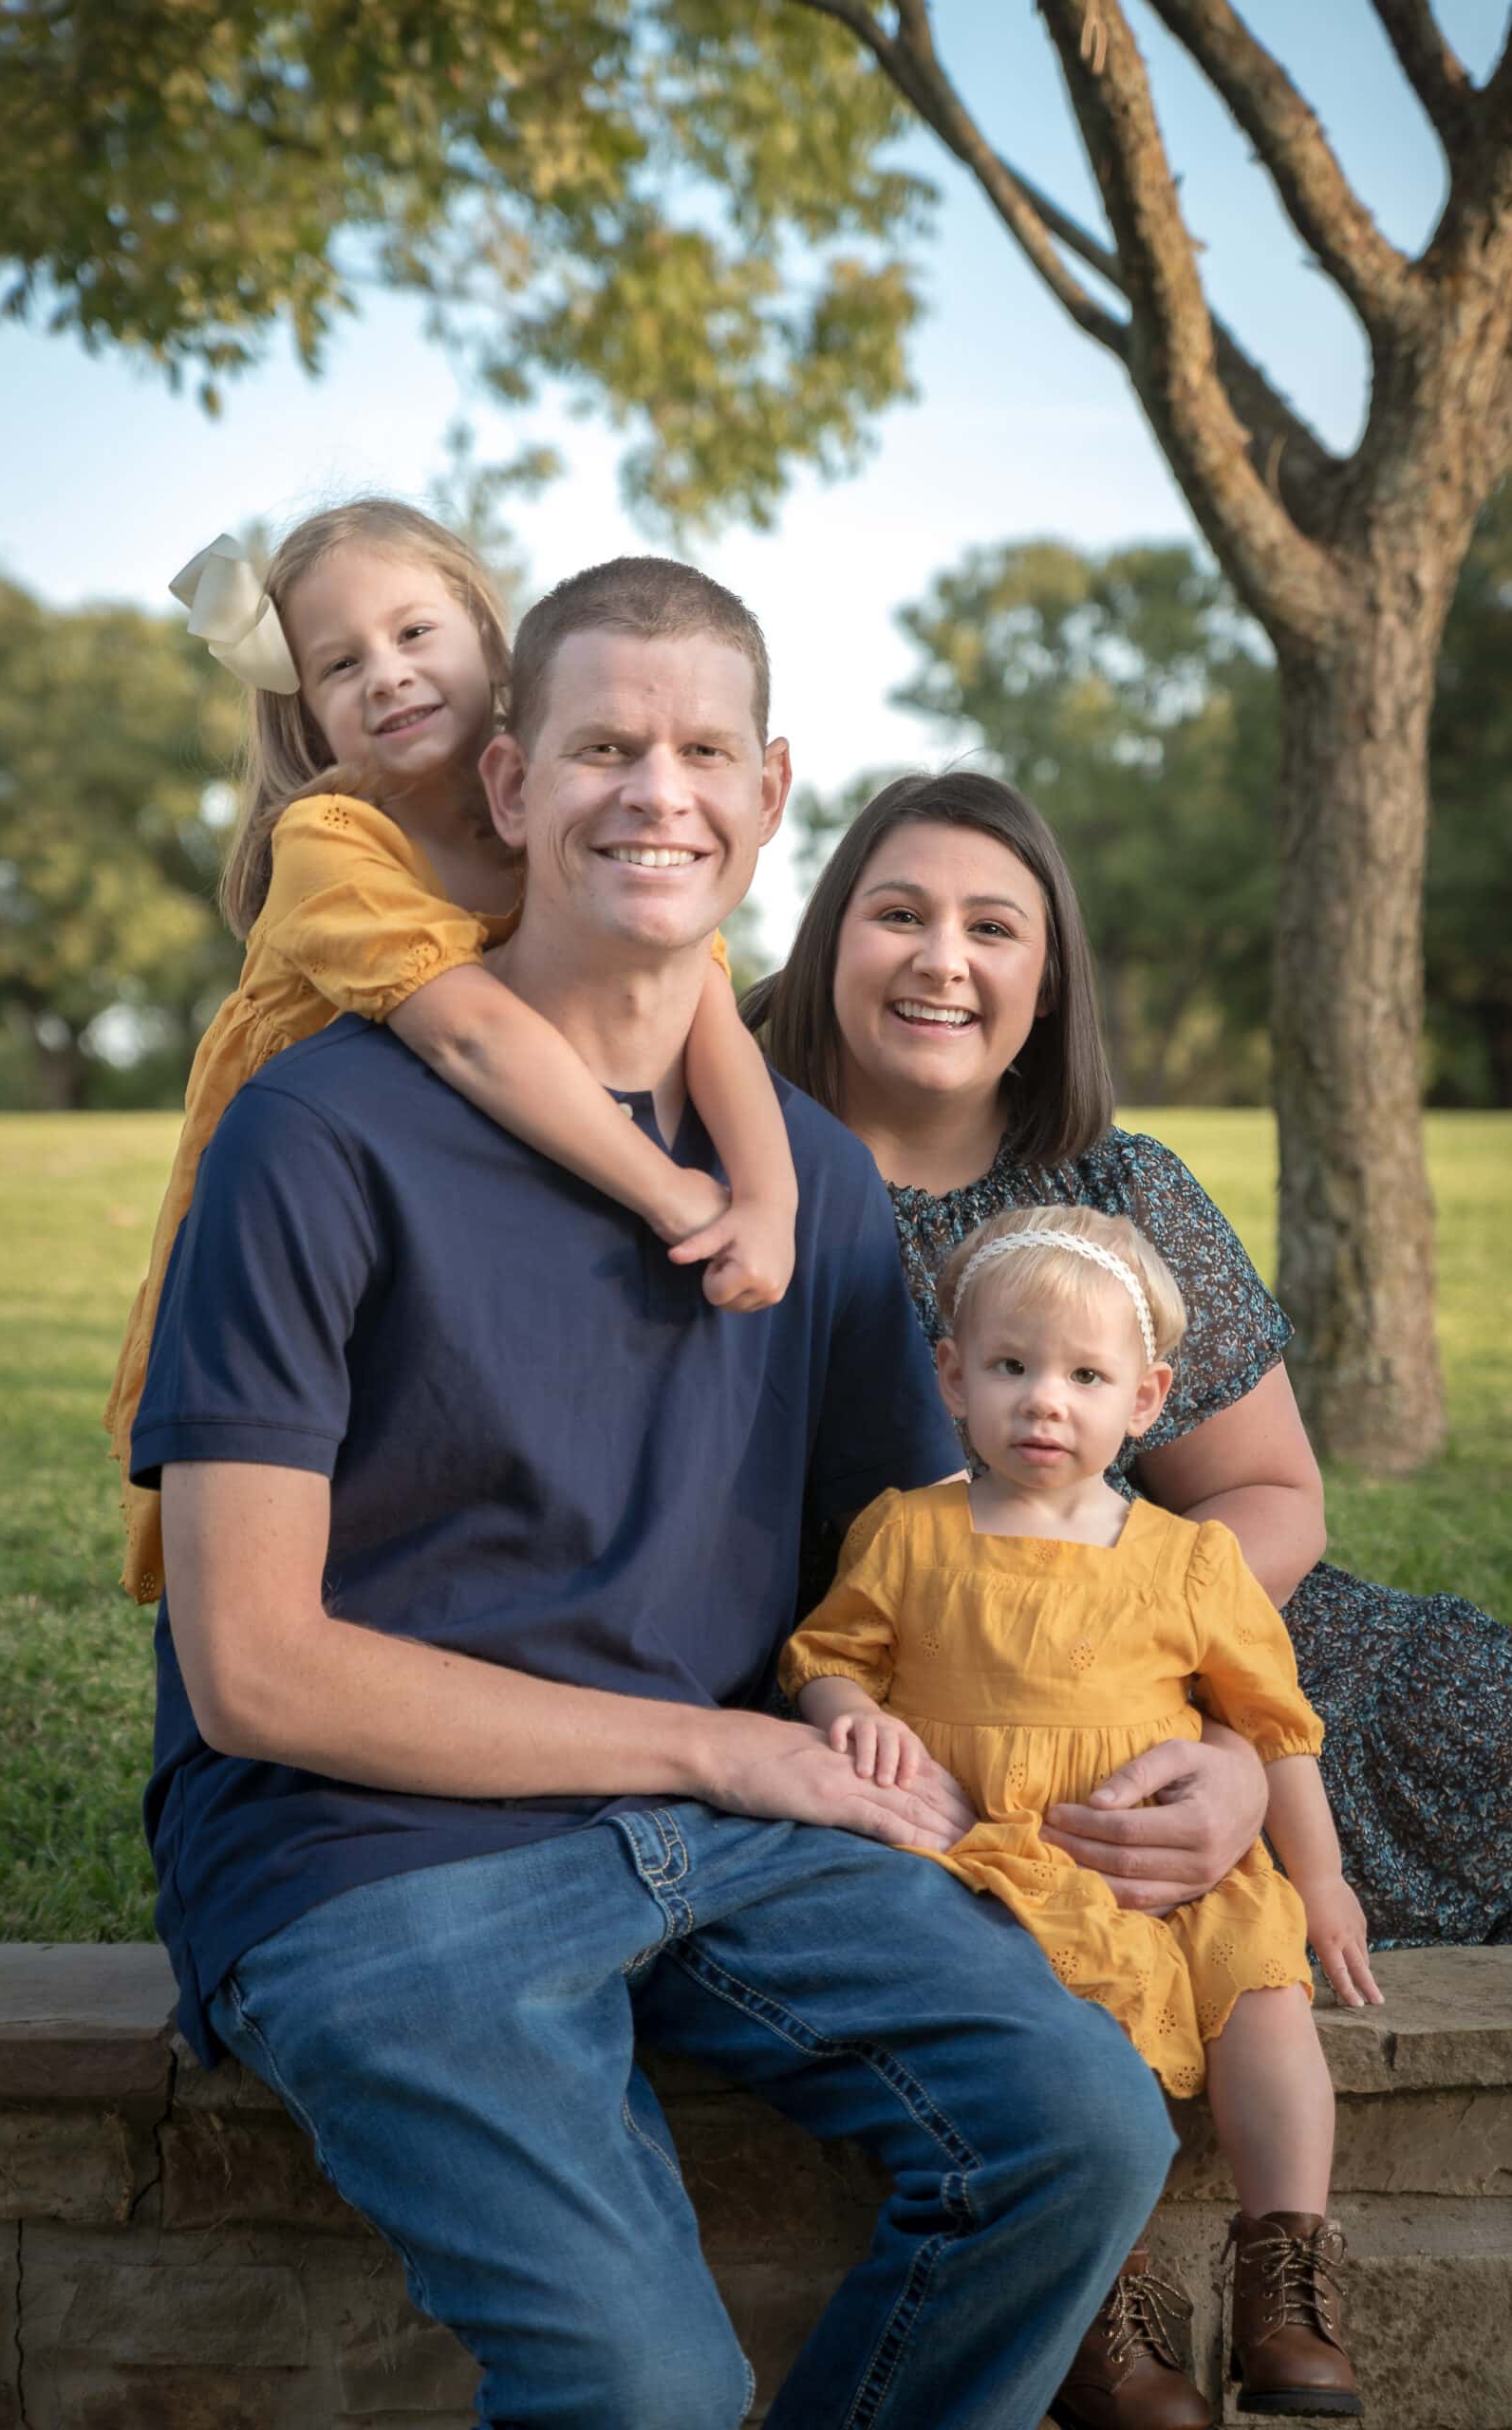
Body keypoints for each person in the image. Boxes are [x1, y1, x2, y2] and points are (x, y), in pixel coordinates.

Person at [132, 557, 1178, 2430]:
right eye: (604, 745)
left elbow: (911, 1584)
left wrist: (1194, 1762)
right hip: (364, 1847)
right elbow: (253, 1674)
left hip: (733, 1827)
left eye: (702, 750)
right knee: (643, 2381)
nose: (656, 792)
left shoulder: (823, 1193)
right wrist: (712, 1752)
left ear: (771, 793)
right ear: (511, 783)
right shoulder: (313, 1135)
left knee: (1080, 2132)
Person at [744, 769, 1511, 1957]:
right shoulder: (737, 1177)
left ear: (1046, 985)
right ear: (827, 940)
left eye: (992, 928)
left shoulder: (1122, 1187)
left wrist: (1219, 1736)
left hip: (1208, 1660)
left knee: (1481, 1710)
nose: (943, 959)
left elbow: (1265, 1493)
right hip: (924, 1706)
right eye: (899, 914)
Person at [105, 500, 795, 1603]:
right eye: (340, 664)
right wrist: (672, 1191)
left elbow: (706, 997)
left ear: (489, 638)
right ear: (305, 714)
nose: (386, 674)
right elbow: (469, 1035)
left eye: (414, 633)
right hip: (316, 1198)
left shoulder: (557, 819)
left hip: (487, 1168)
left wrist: (766, 1198)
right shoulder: (333, 841)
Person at [784, 1204, 1374, 2425]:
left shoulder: (1186, 1559)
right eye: (1010, 1367)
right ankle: (1104, 2299)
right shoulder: (908, 1532)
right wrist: (854, 1712)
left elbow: (1271, 1723)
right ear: (952, 1375)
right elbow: (824, 1655)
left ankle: (1283, 2271)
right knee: (1058, 2049)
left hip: (1178, 1868)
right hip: (1005, 1863)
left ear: (1145, 1398)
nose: (1043, 1402)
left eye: (1084, 1375)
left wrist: (1316, 1882)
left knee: (1262, 2000)